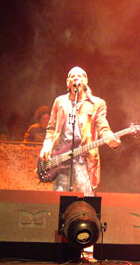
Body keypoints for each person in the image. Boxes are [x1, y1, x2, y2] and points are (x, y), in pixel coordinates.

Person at [39, 66, 121, 196]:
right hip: (61, 158)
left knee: (87, 199)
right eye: (72, 76)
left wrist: (111, 139)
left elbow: (103, 126)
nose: (75, 77)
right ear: (67, 83)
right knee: (58, 200)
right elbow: (51, 129)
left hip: (83, 158)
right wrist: (46, 147)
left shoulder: (97, 104)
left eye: (80, 76)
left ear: (86, 81)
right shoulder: (60, 102)